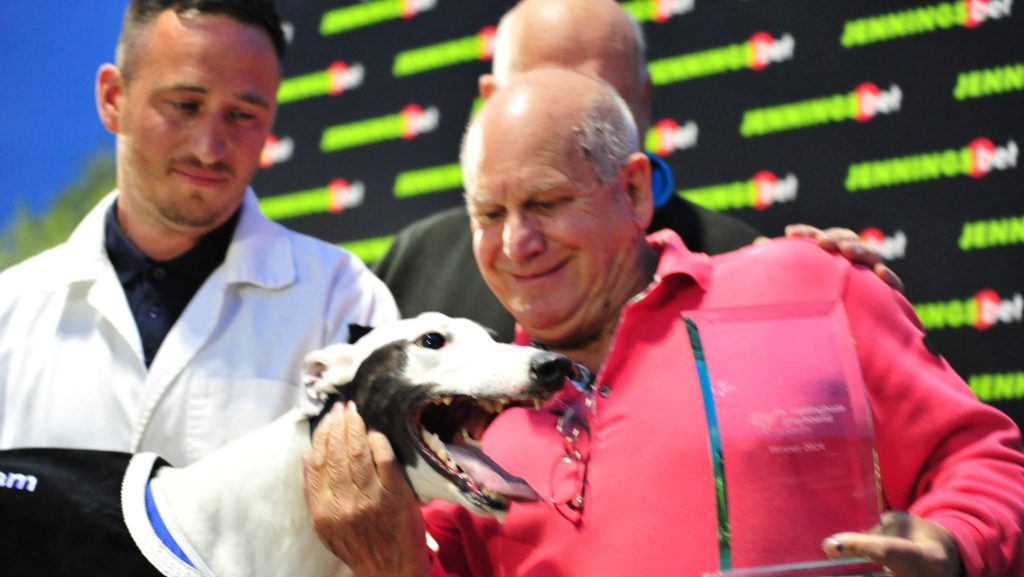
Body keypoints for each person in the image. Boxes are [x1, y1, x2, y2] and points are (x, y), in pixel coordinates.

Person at [302, 69, 1024, 577]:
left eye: (548, 203)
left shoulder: (802, 281)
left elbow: (982, 458)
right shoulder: (463, 417)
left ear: (637, 190)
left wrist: (954, 539)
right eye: (489, 214)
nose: (516, 242)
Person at [0, 0, 398, 467]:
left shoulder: (345, 302)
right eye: (185, 106)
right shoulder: (12, 311)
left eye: (242, 115)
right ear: (113, 98)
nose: (210, 148)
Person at [373, 0, 900, 343]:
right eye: (540, 88)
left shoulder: (742, 260)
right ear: (489, 100)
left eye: (602, 96)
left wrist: (843, 309)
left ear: (642, 104)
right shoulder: (414, 264)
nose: (521, 245)